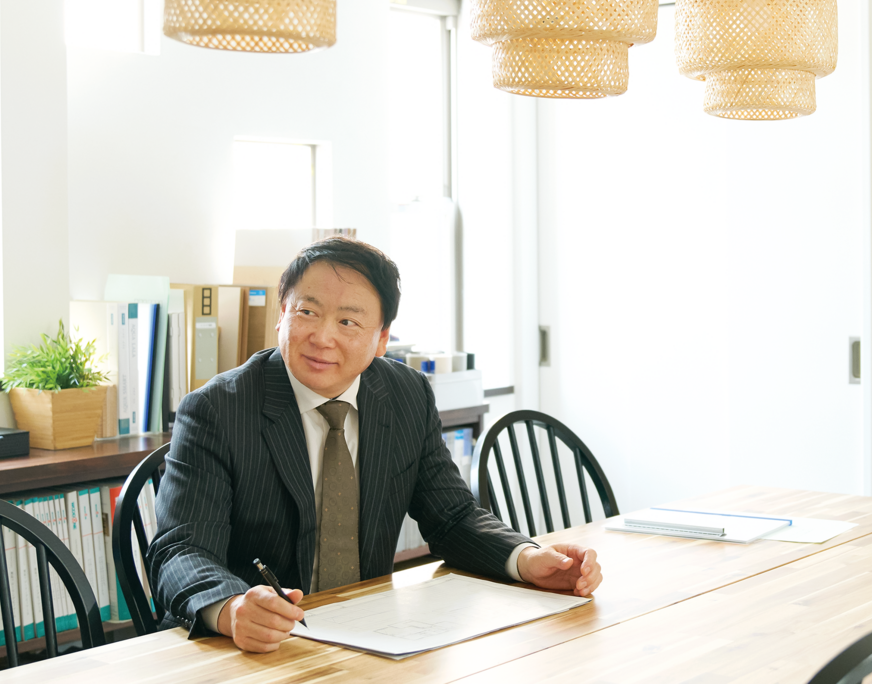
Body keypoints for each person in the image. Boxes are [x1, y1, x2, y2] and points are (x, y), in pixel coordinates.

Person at [149, 237, 603, 652]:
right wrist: (231, 608)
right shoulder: (217, 409)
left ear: (381, 338)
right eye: (307, 312)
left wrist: (526, 558)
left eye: (348, 321)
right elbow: (182, 549)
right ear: (281, 314)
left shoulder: (406, 395)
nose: (322, 337)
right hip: (252, 647)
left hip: (368, 637)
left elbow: (451, 517)